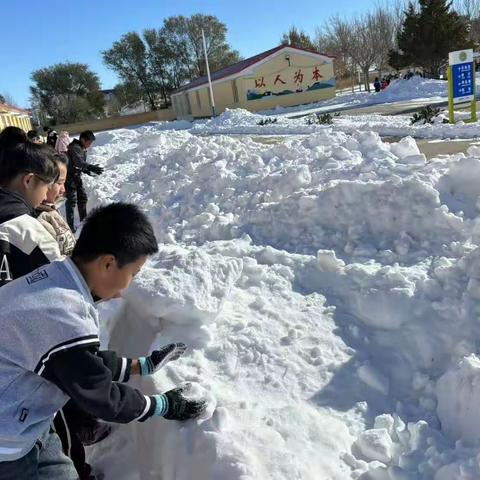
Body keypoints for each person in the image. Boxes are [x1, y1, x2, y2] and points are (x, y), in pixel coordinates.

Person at [0, 203, 206, 479]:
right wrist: (165, 405)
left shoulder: (54, 277)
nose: (127, 287)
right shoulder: (63, 315)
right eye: (132, 274)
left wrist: (142, 366)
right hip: (7, 440)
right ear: (108, 263)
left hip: (27, 416)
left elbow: (79, 362)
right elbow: (101, 397)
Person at [0, 141, 62, 286]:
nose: (46, 195)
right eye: (47, 186)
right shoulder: (27, 231)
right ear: (28, 180)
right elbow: (61, 280)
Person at [36, 153, 76, 256]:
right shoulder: (39, 219)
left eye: (64, 183)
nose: (63, 189)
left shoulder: (50, 209)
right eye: (59, 183)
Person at [65, 131, 103, 232]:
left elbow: (77, 164)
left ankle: (83, 221)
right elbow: (78, 161)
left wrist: (87, 171)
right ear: (83, 140)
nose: (90, 145)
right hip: (69, 177)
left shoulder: (81, 148)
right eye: (89, 142)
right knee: (71, 201)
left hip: (76, 176)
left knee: (82, 198)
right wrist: (90, 167)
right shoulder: (75, 147)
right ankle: (70, 226)